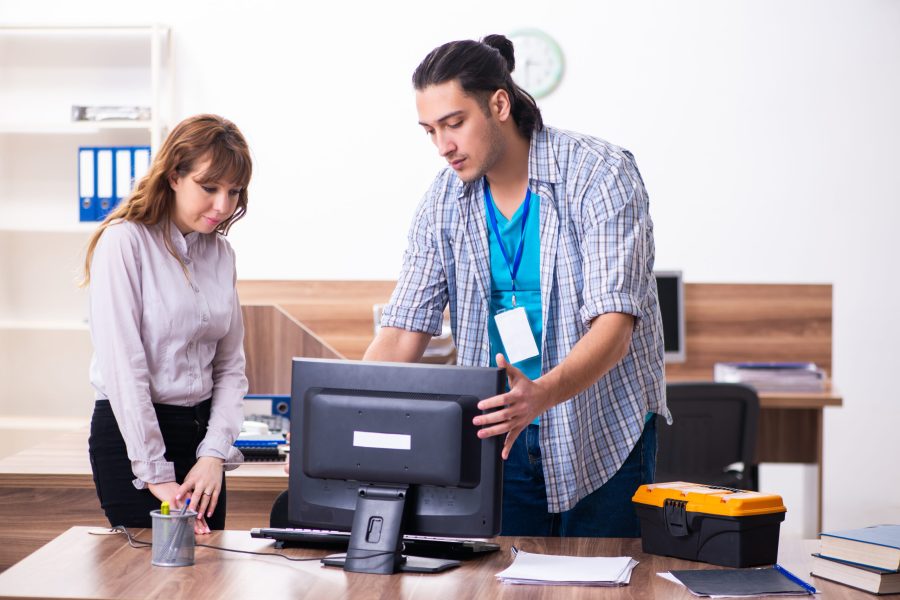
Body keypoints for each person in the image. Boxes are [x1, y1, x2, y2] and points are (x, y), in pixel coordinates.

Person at [363, 35, 669, 537]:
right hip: (499, 436)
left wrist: (541, 396)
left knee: (606, 587)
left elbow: (615, 327)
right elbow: (402, 330)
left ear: (499, 104)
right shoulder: (444, 200)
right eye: (430, 131)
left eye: (455, 123)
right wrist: (343, 419)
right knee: (499, 586)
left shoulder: (599, 175)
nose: (443, 146)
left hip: (598, 428)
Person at [82, 114, 252, 534]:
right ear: (174, 175)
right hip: (134, 437)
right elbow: (124, 369)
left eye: (234, 192)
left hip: (202, 444)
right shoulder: (124, 243)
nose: (223, 206)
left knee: (207, 580)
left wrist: (213, 455)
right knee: (142, 584)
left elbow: (231, 369)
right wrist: (155, 472)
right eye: (209, 187)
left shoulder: (222, 254)